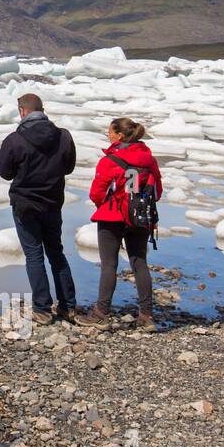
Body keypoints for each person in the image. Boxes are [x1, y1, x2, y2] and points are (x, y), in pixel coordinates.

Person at [0, 93, 78, 324]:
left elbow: (5, 172)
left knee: (34, 255)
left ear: (22, 111)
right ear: (42, 109)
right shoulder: (63, 136)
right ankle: (68, 306)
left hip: (25, 205)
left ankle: (42, 309)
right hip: (53, 202)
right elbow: (69, 167)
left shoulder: (14, 139)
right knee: (56, 252)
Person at [76, 117, 163, 331]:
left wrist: (108, 205)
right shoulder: (148, 160)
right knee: (139, 263)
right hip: (140, 217)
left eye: (110, 132)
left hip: (112, 217)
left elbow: (96, 192)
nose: (108, 135)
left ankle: (101, 313)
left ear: (120, 136)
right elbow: (157, 191)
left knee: (109, 265)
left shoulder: (110, 161)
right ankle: (147, 316)